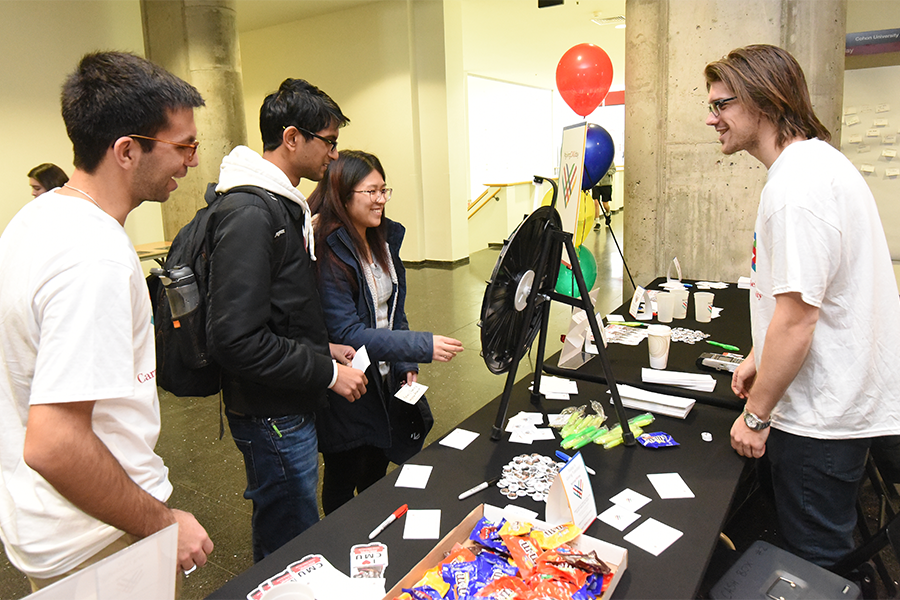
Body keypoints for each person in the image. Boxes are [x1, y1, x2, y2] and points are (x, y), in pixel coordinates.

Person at [0, 51, 212, 591]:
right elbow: (54, 443)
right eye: (183, 146)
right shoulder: (95, 256)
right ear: (125, 151)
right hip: (96, 541)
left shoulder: (36, 218)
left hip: (53, 525)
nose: (190, 160)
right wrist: (165, 525)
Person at [705, 44, 900, 566]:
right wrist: (756, 359)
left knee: (817, 564)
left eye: (722, 105)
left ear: (762, 101)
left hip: (821, 418)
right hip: (835, 400)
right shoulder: (815, 166)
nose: (712, 118)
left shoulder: (797, 187)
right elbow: (799, 296)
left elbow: (797, 320)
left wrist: (757, 414)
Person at [206, 78, 368, 562]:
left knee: (295, 525)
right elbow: (235, 338)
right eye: (329, 143)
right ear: (293, 137)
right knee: (289, 539)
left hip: (287, 398)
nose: (334, 156)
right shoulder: (251, 212)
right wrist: (326, 371)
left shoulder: (283, 204)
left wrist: (322, 350)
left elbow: (281, 312)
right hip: (268, 411)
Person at [308, 150, 464, 514]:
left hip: (383, 378)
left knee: (378, 467)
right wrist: (422, 345)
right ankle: (344, 540)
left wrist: (406, 360)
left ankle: (376, 535)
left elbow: (395, 310)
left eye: (384, 190)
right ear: (344, 195)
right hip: (348, 381)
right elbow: (349, 332)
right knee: (344, 474)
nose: (380, 199)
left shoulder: (382, 240)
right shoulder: (329, 251)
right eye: (371, 191)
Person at [592, 163, 615, 230]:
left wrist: (605, 171)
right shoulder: (594, 160)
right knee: (596, 202)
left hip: (606, 184)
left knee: (605, 204)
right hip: (596, 184)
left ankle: (608, 213)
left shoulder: (609, 159)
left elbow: (613, 169)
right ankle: (597, 222)